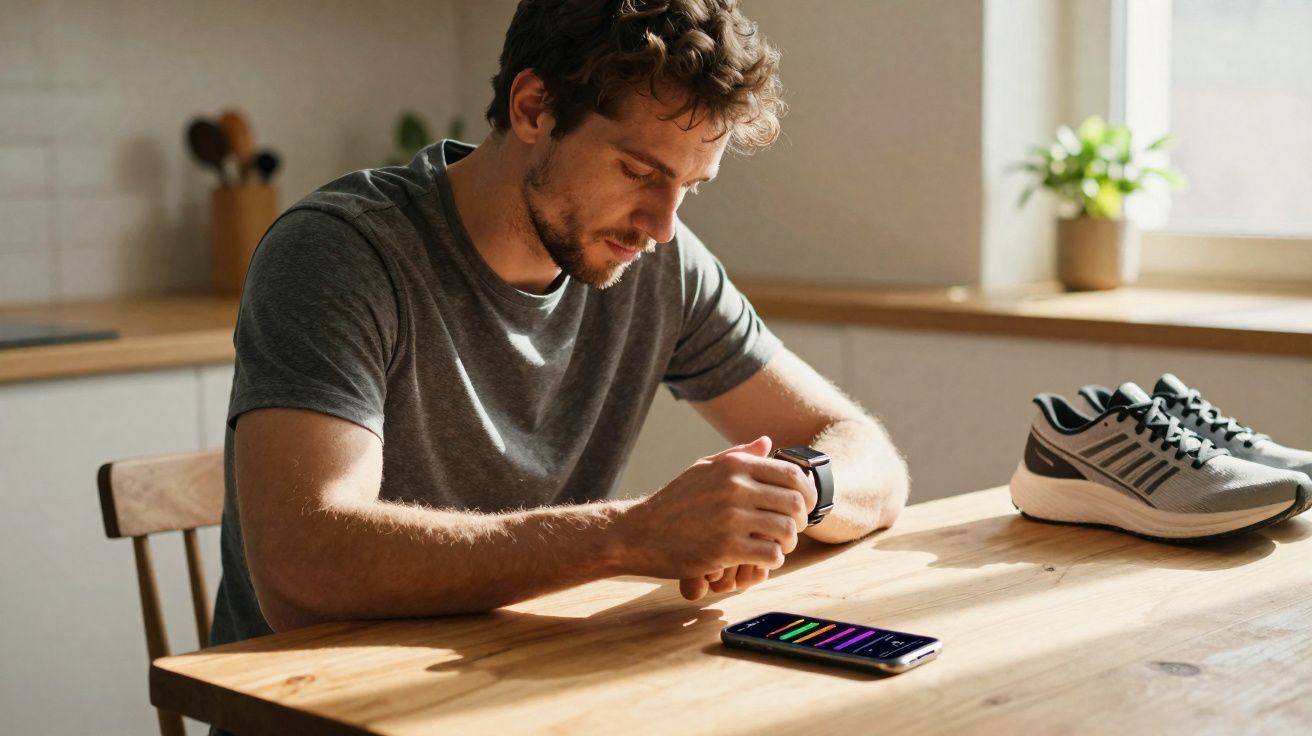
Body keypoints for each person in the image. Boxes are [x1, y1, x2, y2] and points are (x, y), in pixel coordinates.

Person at [210, 0, 909, 648]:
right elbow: (304, 568)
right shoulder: (341, 252)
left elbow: (869, 455)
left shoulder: (658, 265)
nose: (663, 226)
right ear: (533, 107)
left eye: (690, 188)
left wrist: (791, 491)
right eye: (640, 170)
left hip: (525, 687)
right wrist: (631, 536)